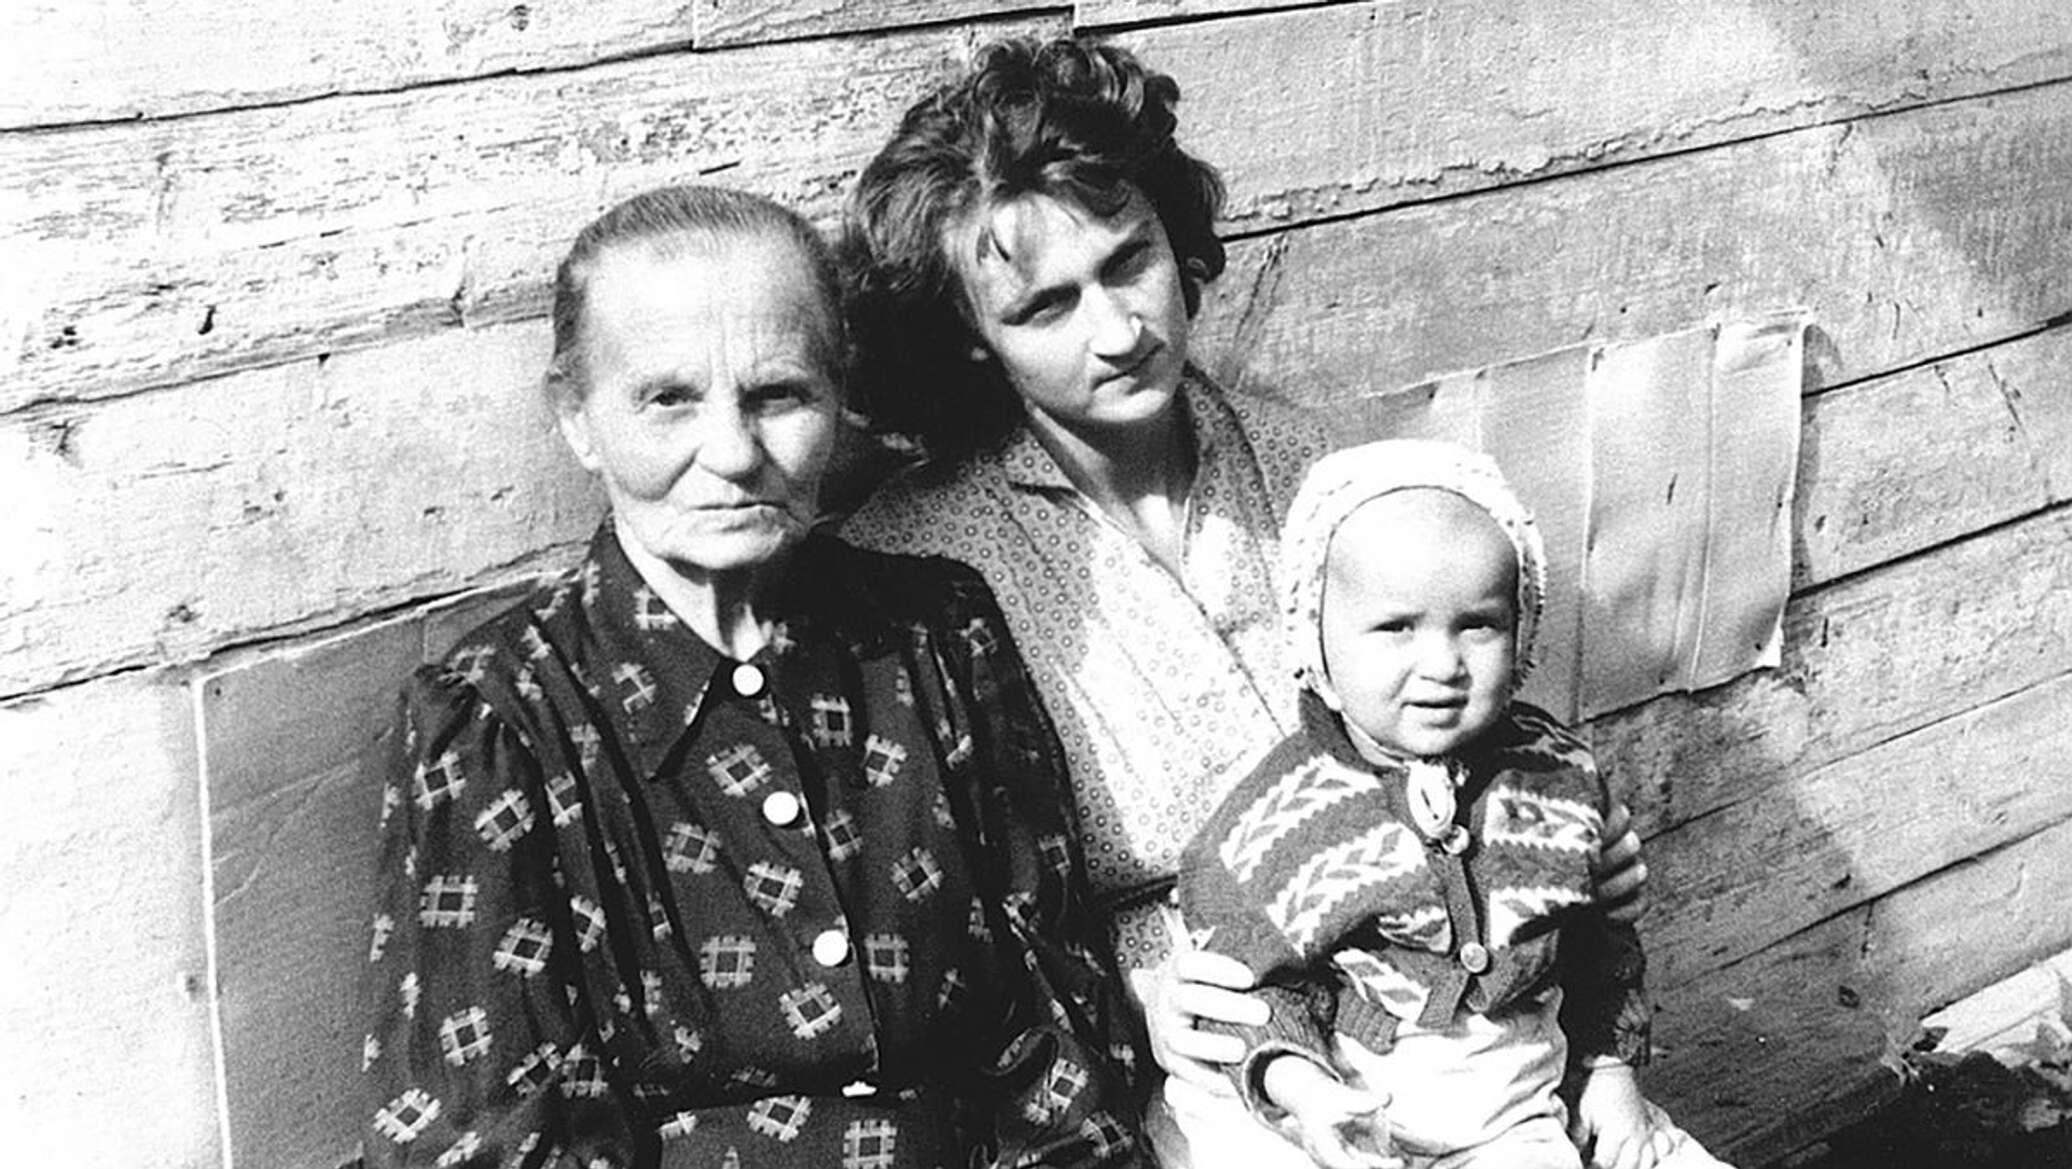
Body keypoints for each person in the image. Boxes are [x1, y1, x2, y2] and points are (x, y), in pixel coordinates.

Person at [838, 34, 1649, 1166]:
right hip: (1177, 1062)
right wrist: (1129, 997)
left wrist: (1565, 837)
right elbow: (941, 925)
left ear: (1175, 239)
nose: (1119, 330)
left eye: (1129, 261)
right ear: (972, 341)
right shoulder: (912, 566)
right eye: (1045, 307)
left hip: (1447, 1026)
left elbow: (1465, 722)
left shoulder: (1328, 479)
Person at [357, 184, 1145, 1169]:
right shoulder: (499, 720)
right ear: (577, 417)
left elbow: (1063, 1037)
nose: (731, 454)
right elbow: (485, 1138)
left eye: (779, 395)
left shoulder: (938, 636)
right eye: (668, 400)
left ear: (836, 396)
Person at [1178, 440, 1729, 1169]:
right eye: (1395, 627)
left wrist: (1609, 1067)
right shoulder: (1279, 818)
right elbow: (1255, 988)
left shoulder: (1552, 775)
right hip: (1351, 1118)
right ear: (1318, 644)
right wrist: (1303, 1089)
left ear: (1521, 630)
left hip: (1515, 1110)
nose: (1442, 665)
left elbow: (1599, 947)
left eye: (1477, 624)